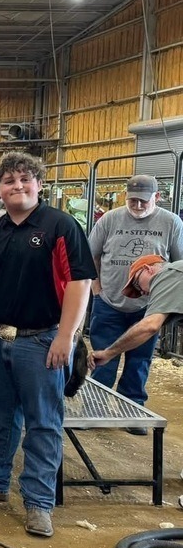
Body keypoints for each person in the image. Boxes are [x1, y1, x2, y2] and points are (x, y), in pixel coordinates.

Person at [0, 151, 95, 538]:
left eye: (25, 179)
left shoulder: (61, 225)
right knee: (0, 414)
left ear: (39, 184)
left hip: (42, 338)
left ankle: (38, 503)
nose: (17, 186)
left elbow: (80, 282)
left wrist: (66, 336)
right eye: (9, 181)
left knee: (43, 422)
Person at [87, 175, 183, 428]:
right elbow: (91, 254)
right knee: (103, 358)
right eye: (132, 200)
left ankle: (132, 410)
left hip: (149, 306)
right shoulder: (109, 219)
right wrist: (97, 288)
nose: (137, 206)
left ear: (157, 197)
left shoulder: (171, 222)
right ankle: (95, 407)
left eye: (143, 201)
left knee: (140, 359)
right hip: (109, 302)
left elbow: (177, 263)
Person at [91, 255, 180, 372]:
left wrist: (108, 353)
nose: (142, 292)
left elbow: (149, 326)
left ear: (148, 269)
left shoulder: (167, 275)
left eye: (137, 284)